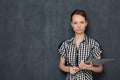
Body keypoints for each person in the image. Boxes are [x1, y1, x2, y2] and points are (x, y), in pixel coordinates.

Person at [58, 9, 103, 80]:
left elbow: (100, 68)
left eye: (82, 22)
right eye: (75, 23)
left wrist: (90, 67)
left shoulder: (93, 44)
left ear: (86, 23)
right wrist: (69, 69)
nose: (79, 26)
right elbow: (61, 65)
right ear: (71, 24)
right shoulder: (65, 44)